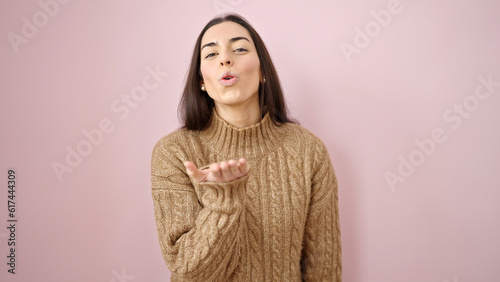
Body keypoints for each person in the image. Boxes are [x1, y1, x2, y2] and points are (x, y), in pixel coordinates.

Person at [151, 13, 342, 281]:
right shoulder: (174, 152)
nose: (225, 59)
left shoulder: (308, 151)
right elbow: (186, 267)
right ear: (201, 82)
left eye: (239, 49)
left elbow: (324, 269)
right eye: (211, 54)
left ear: (263, 71)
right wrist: (223, 205)